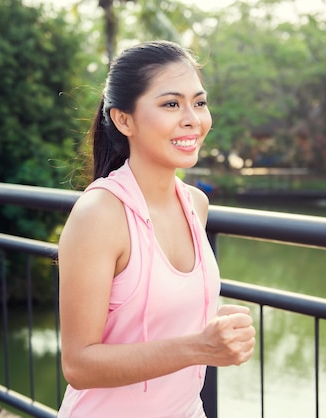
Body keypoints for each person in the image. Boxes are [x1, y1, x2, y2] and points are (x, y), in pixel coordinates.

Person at [57, 40, 256, 418]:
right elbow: (78, 365)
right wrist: (199, 347)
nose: (192, 119)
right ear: (124, 119)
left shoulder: (196, 204)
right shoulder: (100, 214)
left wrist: (213, 329)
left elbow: (158, 321)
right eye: (170, 104)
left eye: (199, 102)